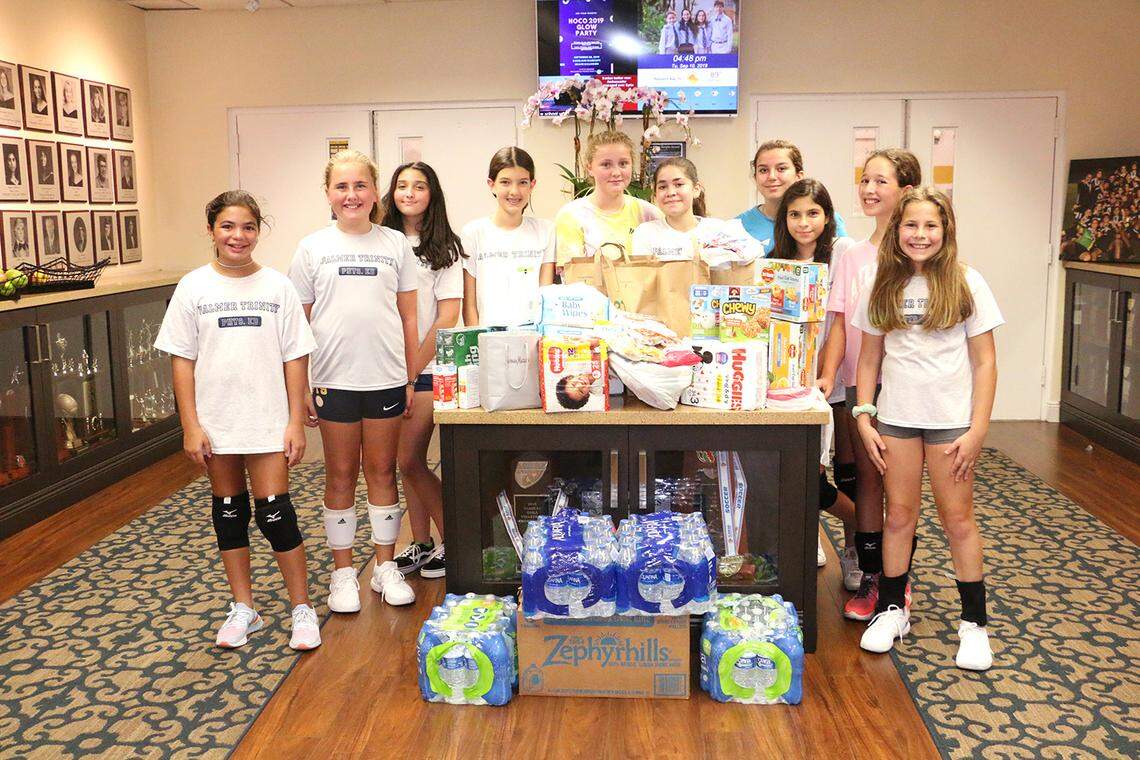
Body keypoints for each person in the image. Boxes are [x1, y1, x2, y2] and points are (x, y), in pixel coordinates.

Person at [154, 190, 321, 651]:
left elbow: (295, 357)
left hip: (267, 421)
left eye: (248, 227)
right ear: (211, 230)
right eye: (228, 226)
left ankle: (301, 608)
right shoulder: (193, 287)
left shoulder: (277, 287)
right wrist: (190, 425)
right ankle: (244, 607)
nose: (238, 236)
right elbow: (182, 361)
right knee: (229, 514)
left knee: (275, 513)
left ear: (258, 232)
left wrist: (293, 420)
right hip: (216, 422)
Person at [852, 187, 1002, 671]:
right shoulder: (881, 279)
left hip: (950, 424)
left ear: (946, 231)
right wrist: (863, 414)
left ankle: (974, 625)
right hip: (896, 419)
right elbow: (869, 357)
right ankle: (893, 611)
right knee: (899, 516)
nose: (920, 234)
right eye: (911, 225)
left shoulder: (966, 282)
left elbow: (985, 362)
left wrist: (978, 429)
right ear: (897, 232)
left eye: (930, 226)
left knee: (958, 521)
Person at [288, 149, 419, 612]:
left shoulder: (394, 245)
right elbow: (297, 328)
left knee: (382, 472)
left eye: (360, 185)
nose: (351, 195)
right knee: (340, 474)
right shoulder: (312, 248)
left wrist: (408, 377)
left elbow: (407, 317)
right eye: (342, 186)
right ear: (328, 193)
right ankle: (343, 572)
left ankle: (385, 567)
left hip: (384, 378)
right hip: (332, 380)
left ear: (373, 191)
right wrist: (300, 388)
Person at [816, 148, 921, 621]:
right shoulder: (850, 254)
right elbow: (838, 324)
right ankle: (874, 578)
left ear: (905, 189)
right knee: (865, 486)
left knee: (899, 488)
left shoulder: (919, 253)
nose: (870, 190)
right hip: (858, 386)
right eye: (865, 180)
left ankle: (899, 580)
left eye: (881, 181)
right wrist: (827, 375)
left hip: (903, 387)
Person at [770, 177, 860, 579]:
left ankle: (859, 545)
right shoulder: (775, 260)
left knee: (847, 474)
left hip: (836, 380)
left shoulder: (843, 253)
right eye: (794, 214)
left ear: (827, 216)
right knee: (807, 474)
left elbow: (840, 320)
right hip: (791, 383)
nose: (803, 222)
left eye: (812, 213)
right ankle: (812, 540)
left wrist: (827, 373)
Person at [378, 161, 463, 580]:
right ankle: (422, 543)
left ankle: (456, 543)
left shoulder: (446, 246)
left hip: (427, 368)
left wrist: (411, 370)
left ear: (433, 194)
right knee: (400, 462)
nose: (409, 193)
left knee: (411, 459)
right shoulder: (380, 242)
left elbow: (447, 315)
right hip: (384, 368)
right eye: (401, 185)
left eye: (420, 186)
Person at [462, 147, 555, 328]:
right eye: (505, 182)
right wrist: (477, 343)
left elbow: (547, 300)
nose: (514, 191)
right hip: (488, 341)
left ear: (532, 185)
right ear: (491, 184)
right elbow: (469, 305)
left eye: (522, 182)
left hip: (533, 339)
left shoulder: (546, 231)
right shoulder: (473, 233)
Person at [555, 130, 662, 281]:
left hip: (641, 302)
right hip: (593, 302)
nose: (616, 172)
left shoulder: (648, 213)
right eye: (606, 165)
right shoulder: (571, 216)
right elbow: (573, 279)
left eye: (623, 163)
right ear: (589, 168)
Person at [737, 139, 848, 254]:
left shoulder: (827, 221)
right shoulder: (738, 226)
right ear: (755, 177)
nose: (772, 177)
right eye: (763, 170)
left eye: (781, 169)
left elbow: (844, 263)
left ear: (799, 176)